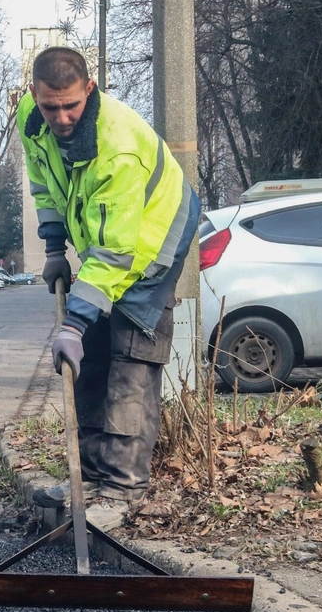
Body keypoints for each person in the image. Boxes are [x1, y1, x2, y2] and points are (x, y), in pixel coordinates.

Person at [19, 47, 200, 529]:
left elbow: (119, 253)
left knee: (130, 361)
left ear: (90, 91)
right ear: (34, 95)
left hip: (152, 241)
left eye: (70, 106)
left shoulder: (115, 147)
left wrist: (75, 321)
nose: (59, 117)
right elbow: (44, 185)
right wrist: (55, 246)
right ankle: (91, 477)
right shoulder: (30, 120)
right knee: (92, 357)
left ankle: (121, 490)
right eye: (49, 106)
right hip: (107, 243)